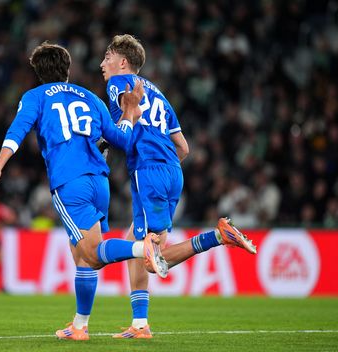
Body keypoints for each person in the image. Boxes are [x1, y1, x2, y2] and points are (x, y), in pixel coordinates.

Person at [0, 42, 167, 341]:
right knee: (80, 256)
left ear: (38, 72)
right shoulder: (91, 97)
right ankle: (79, 327)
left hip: (70, 182)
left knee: (92, 255)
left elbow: (16, 130)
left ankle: (140, 248)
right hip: (99, 182)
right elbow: (121, 139)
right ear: (67, 69)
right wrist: (130, 113)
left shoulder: (35, 96)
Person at [100, 34, 257, 339]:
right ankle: (140, 324)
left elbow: (128, 123)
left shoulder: (119, 83)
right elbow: (183, 147)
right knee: (136, 239)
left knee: (151, 257)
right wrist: (164, 165)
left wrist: (108, 143)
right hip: (172, 171)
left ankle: (217, 236)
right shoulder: (161, 94)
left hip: (148, 171)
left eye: (107, 58)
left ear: (122, 62)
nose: (101, 64)